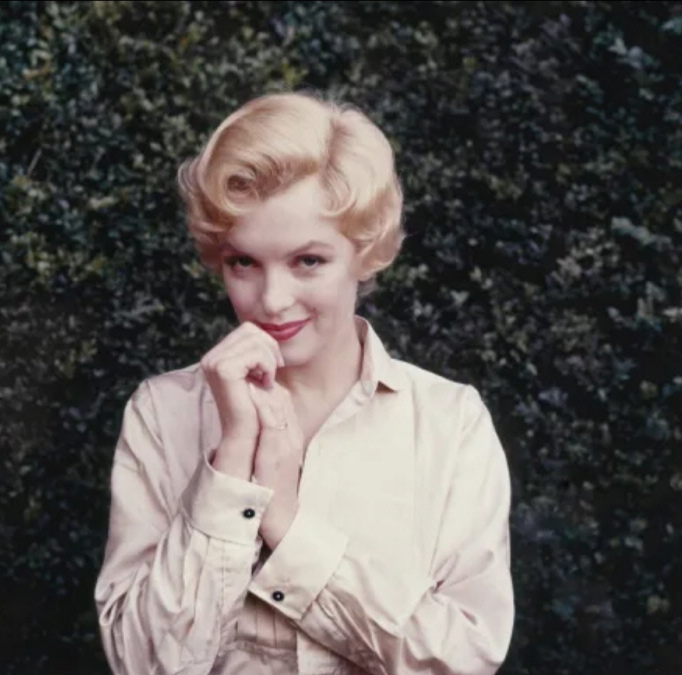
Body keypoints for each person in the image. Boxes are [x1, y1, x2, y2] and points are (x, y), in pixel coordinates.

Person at [94, 90, 514, 675]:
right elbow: (140, 663)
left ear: (366, 252)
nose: (272, 299)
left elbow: (463, 659)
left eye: (308, 261)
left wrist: (286, 525)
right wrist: (231, 467)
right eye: (243, 262)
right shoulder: (163, 412)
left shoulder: (449, 422)